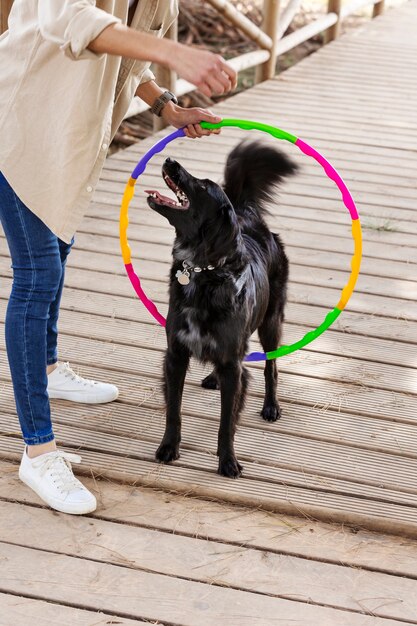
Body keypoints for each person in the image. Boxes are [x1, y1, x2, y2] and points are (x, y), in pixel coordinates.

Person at [0, 0, 237, 515]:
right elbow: (68, 19)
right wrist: (177, 51)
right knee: (38, 274)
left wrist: (166, 105)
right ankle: (38, 451)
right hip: (19, 128)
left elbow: (126, 58)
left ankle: (46, 369)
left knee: (56, 253)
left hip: (69, 141)